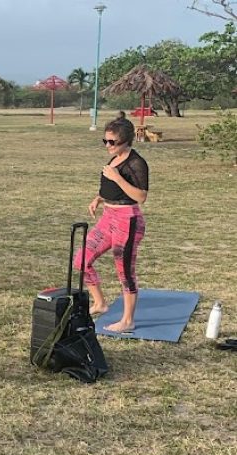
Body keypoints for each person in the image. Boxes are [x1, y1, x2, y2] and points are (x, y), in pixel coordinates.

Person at [74, 118, 148, 333]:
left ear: (125, 141)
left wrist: (117, 178)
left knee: (124, 271)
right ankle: (100, 303)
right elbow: (111, 188)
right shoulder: (114, 158)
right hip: (108, 218)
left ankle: (127, 321)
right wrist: (98, 198)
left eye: (112, 142)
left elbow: (141, 196)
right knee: (81, 260)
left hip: (128, 220)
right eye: (104, 141)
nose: (107, 145)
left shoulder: (136, 163)